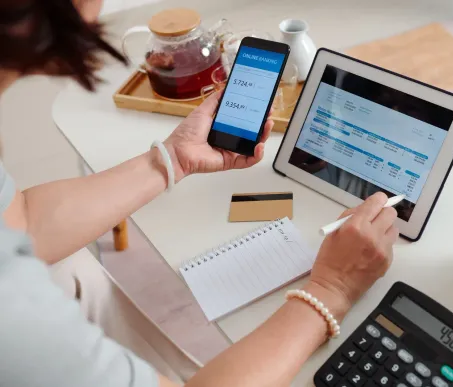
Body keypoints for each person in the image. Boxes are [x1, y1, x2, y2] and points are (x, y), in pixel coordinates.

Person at [0, 1, 399, 386]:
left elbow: (24, 221)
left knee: (76, 269)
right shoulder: (14, 314)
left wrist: (173, 159)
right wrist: (332, 290)